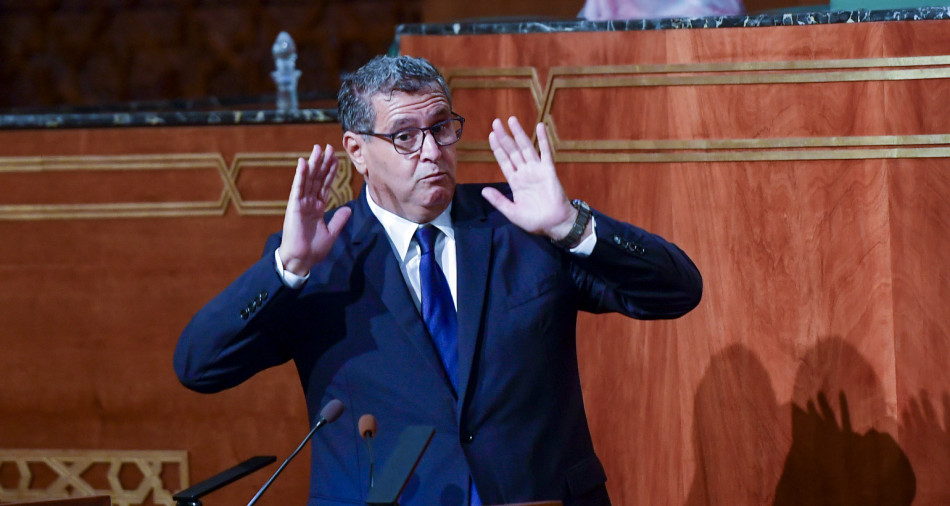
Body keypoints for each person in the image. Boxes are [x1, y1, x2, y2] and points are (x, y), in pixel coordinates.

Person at [174, 55, 702, 506]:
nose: (431, 152)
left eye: (442, 128)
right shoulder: (321, 260)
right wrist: (286, 268)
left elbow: (677, 291)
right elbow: (200, 366)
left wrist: (571, 226)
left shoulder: (522, 224)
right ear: (357, 151)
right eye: (405, 136)